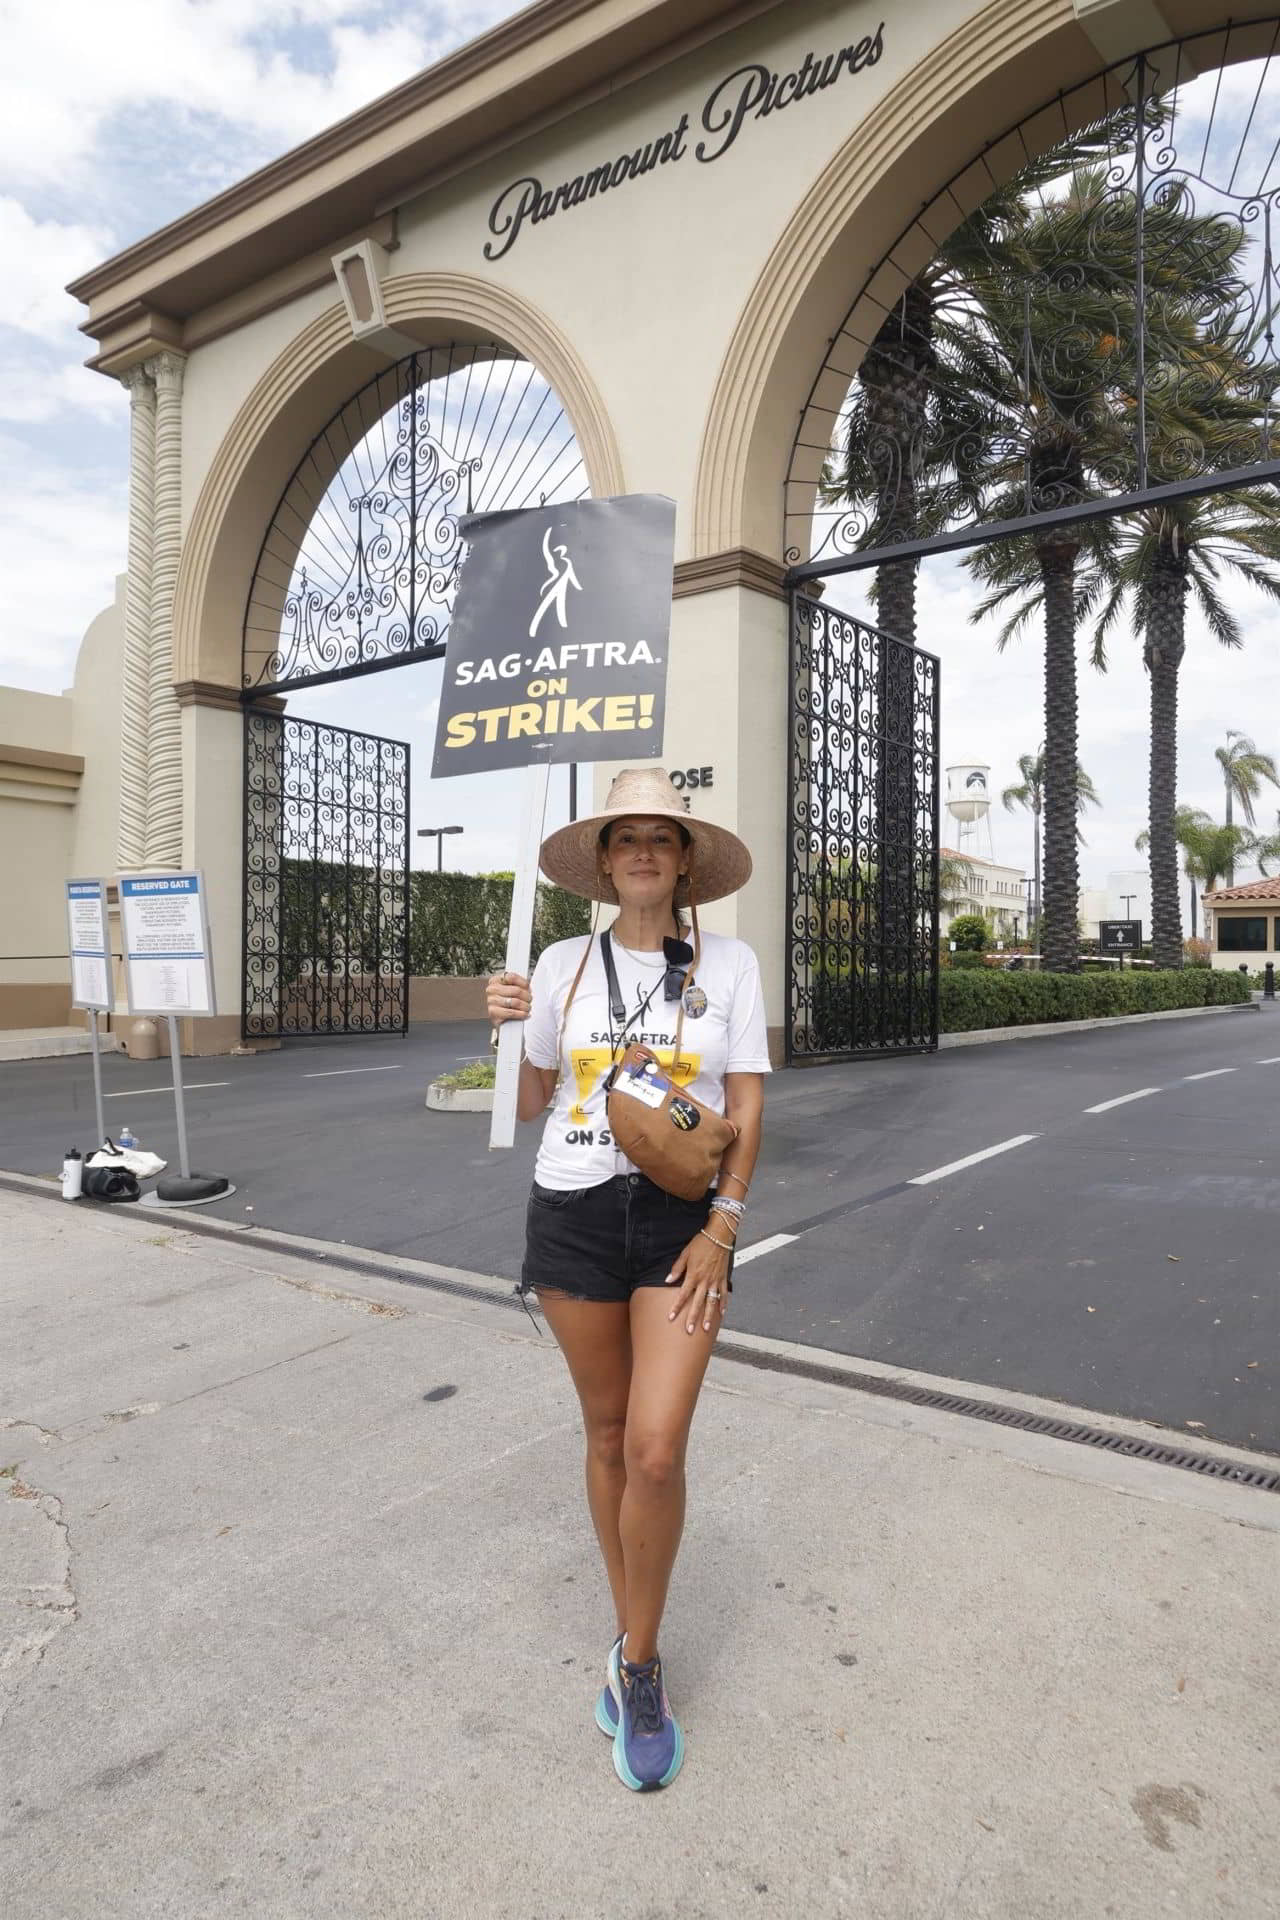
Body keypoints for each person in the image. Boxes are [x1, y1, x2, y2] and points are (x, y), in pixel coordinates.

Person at [486, 766, 769, 1792]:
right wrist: (508, 1019)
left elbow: (744, 1101)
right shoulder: (560, 963)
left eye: (662, 837)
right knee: (605, 1434)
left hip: (677, 1226)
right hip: (568, 1215)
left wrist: (723, 1227)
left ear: (684, 860)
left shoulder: (729, 966)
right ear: (603, 864)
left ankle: (640, 1665)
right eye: (625, 839)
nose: (643, 852)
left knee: (655, 1448)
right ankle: (630, 1635)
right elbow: (523, 1104)